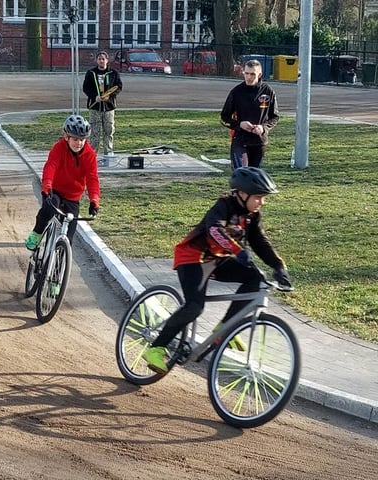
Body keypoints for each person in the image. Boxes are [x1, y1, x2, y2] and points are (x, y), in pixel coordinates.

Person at [142, 167, 293, 374]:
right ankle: (156, 348)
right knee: (195, 306)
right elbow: (214, 231)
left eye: (263, 198)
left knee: (255, 278)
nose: (261, 202)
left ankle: (224, 327)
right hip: (192, 258)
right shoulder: (224, 205)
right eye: (258, 197)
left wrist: (278, 266)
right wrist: (237, 251)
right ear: (242, 193)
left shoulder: (251, 216)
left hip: (216, 259)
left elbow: (260, 242)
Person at [24, 114, 100, 250]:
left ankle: (59, 267)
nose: (79, 143)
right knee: (48, 208)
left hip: (73, 198)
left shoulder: (90, 155)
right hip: (55, 191)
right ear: (67, 137)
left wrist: (94, 200)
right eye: (75, 139)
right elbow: (50, 166)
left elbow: (92, 179)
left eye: (82, 139)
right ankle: (37, 234)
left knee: (68, 240)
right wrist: (47, 186)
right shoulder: (59, 148)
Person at [220, 59, 279, 170]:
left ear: (260, 74)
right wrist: (239, 124)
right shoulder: (236, 92)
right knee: (240, 175)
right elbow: (224, 117)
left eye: (252, 74)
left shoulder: (268, 91)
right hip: (240, 140)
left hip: (259, 141)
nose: (249, 77)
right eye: (246, 73)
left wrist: (263, 128)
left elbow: (275, 117)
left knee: (253, 176)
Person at [82, 50, 122, 158]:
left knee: (109, 130)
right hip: (94, 107)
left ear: (107, 60)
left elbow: (118, 87)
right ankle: (92, 154)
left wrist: (110, 96)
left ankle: (108, 152)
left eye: (103, 59)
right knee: (94, 131)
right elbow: (86, 88)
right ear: (96, 60)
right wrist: (95, 96)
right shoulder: (91, 73)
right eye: (99, 59)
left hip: (109, 107)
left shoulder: (113, 73)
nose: (101, 60)